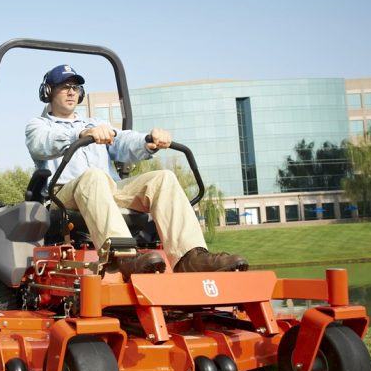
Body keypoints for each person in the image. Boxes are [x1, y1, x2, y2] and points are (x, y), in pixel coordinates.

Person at [25, 64, 247, 277]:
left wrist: (148, 141)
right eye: (64, 86)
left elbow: (123, 140)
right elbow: (41, 143)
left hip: (107, 190)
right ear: (48, 91)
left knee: (163, 179)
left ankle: (190, 257)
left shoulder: (96, 122)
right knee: (94, 176)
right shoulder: (39, 125)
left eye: (75, 87)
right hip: (63, 196)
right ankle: (124, 256)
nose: (71, 92)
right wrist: (81, 134)